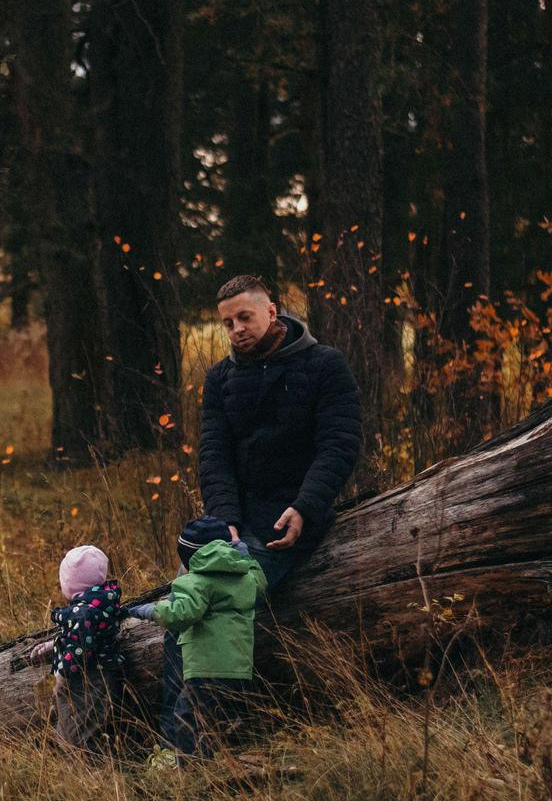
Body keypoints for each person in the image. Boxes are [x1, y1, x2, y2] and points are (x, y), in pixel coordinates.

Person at [156, 274, 363, 736]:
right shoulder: (221, 378)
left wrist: (305, 506)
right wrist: (226, 521)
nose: (236, 330)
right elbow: (214, 457)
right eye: (227, 323)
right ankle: (179, 742)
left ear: (273, 312)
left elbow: (339, 444)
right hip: (235, 523)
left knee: (211, 607)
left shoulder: (325, 365)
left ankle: (197, 741)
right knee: (186, 604)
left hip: (291, 519)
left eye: (244, 317)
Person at [125, 516, 267, 755]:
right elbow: (261, 584)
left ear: (190, 558)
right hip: (239, 666)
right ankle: (237, 758)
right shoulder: (244, 577)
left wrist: (147, 610)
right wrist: (247, 557)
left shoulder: (195, 582)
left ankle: (192, 770)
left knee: (187, 718)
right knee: (228, 717)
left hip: (205, 668)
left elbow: (179, 615)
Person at [27, 544, 132, 754]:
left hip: (84, 680)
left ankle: (83, 775)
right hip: (102, 675)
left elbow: (79, 648)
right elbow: (80, 636)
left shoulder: (82, 613)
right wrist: (54, 645)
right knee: (88, 727)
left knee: (77, 734)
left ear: (69, 583)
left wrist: (62, 677)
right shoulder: (100, 603)